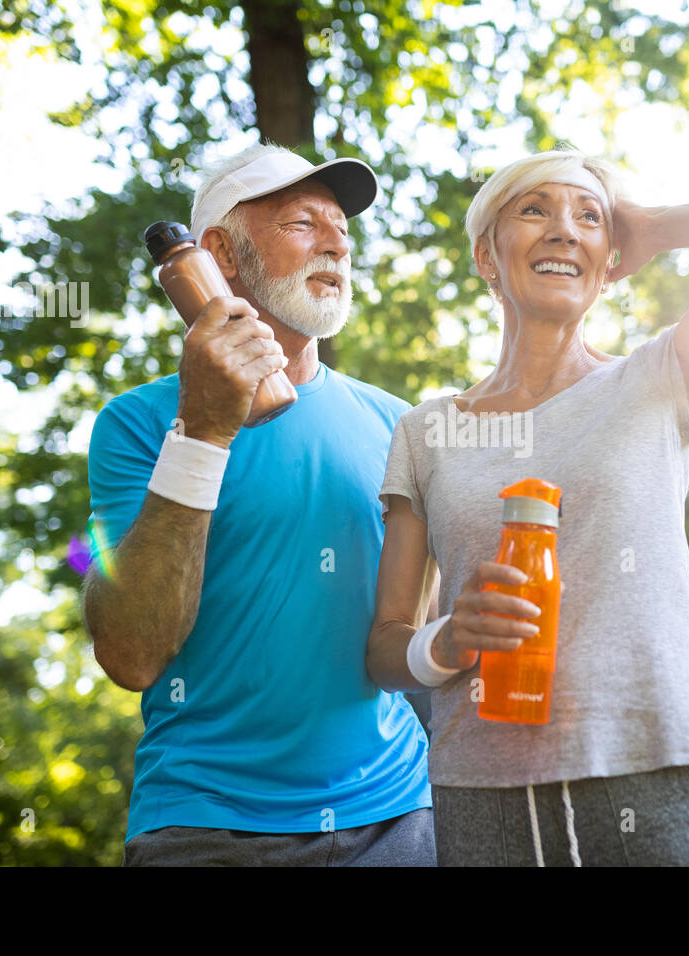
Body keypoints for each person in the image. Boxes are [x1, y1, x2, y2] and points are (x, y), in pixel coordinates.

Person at [366, 149, 689, 866]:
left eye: (589, 219)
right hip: (488, 793)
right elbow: (387, 646)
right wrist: (446, 641)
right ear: (487, 255)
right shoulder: (425, 432)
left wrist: (653, 227)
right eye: (534, 210)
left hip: (666, 761)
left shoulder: (664, 374)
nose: (563, 231)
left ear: (611, 263)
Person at [84, 142, 434, 866]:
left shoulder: (401, 424)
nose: (337, 241)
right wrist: (205, 429)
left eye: (342, 228)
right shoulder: (138, 423)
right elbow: (133, 654)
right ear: (220, 256)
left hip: (398, 817)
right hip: (206, 827)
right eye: (304, 223)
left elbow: (418, 634)